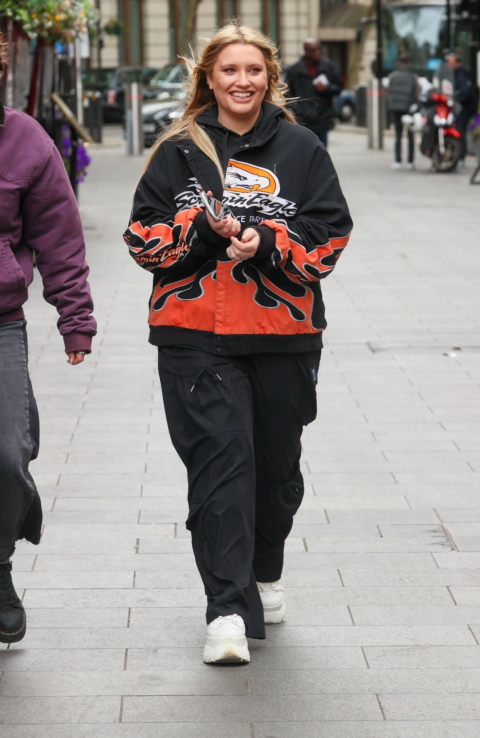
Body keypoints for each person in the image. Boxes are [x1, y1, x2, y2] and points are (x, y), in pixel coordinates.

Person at [124, 22, 352, 665]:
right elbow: (143, 237)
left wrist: (268, 241)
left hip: (283, 337)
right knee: (222, 468)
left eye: (254, 70)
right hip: (195, 337)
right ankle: (225, 609)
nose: (242, 81)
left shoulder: (302, 146)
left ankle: (264, 570)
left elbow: (330, 235)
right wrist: (199, 229)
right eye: (229, 70)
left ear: (269, 77)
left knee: (276, 476)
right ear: (210, 79)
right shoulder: (177, 150)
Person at [0, 34, 96, 644]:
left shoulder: (24, 138)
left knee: (9, 456)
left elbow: (59, 234)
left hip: (0, 323)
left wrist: (75, 317)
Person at [285, 38, 343, 147]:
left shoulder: (327, 66)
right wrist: (298, 109)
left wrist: (326, 88)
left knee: (321, 153)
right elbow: (286, 95)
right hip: (303, 121)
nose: (318, 52)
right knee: (304, 154)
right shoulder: (294, 70)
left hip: (322, 119)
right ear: (306, 52)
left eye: (319, 49)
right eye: (314, 50)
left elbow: (339, 87)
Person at [388, 53, 420, 170]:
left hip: (396, 109)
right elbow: (417, 92)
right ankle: (410, 161)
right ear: (409, 63)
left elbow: (389, 92)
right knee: (411, 135)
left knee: (398, 135)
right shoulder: (413, 76)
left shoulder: (393, 75)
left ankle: (397, 161)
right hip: (409, 109)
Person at [446, 50, 476, 165]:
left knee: (460, 130)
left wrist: (455, 99)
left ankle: (461, 156)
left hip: (464, 108)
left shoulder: (460, 74)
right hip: (462, 107)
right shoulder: (457, 73)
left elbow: (464, 92)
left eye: (450, 62)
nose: (448, 64)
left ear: (456, 63)